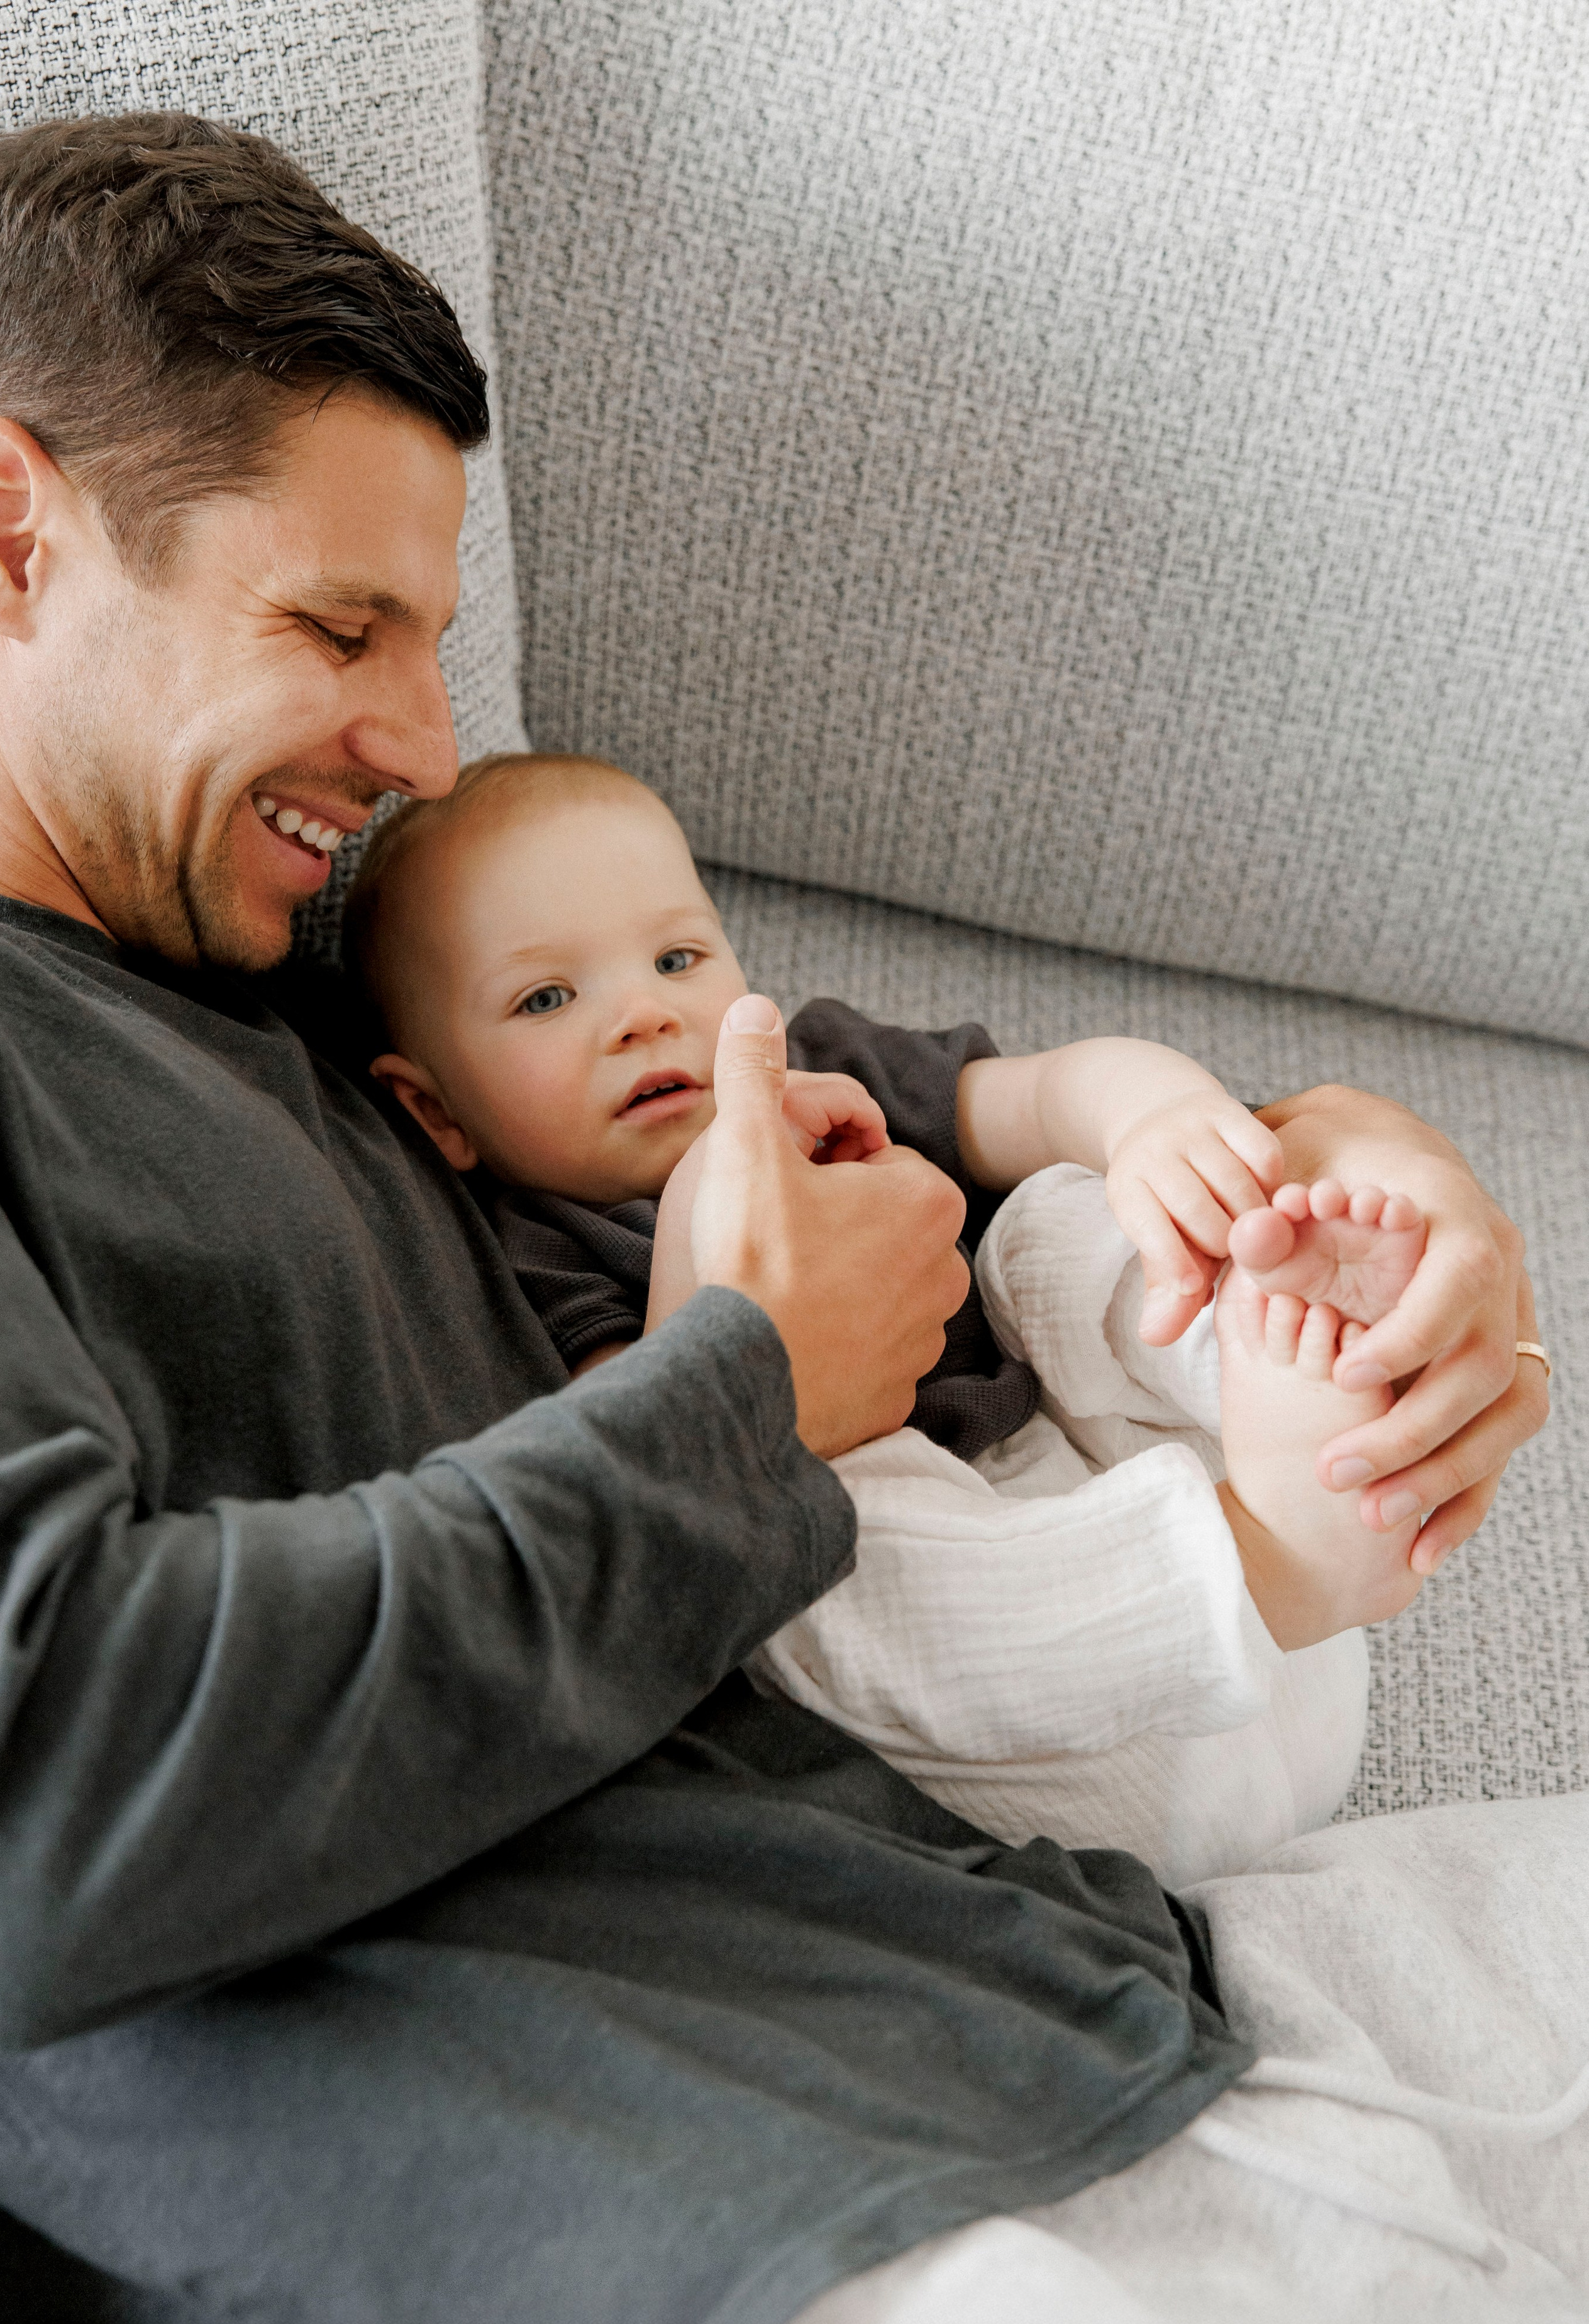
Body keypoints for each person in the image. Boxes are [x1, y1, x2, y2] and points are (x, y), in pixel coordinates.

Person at [0, 111, 1549, 2324]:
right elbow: (44, 1799)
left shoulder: (327, 973)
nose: (424, 745)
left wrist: (1390, 1188)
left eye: (429, 640)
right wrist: (742, 1393)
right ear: (5, 526)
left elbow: (932, 1131)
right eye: (336, 627)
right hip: (759, 2236)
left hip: (1123, 2001)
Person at [346, 749, 1434, 1884]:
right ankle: (1278, 1554)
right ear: (436, 1112)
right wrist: (705, 1245)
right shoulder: (528, 1256)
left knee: (1048, 1217)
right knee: (805, 1546)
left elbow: (1048, 1094)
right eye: (546, 999)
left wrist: (1161, 1119)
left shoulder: (827, 1063)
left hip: (1256, 1631)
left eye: (677, 958)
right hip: (1055, 1725)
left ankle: (1274, 1344)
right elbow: (667, 1476)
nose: (645, 1016)